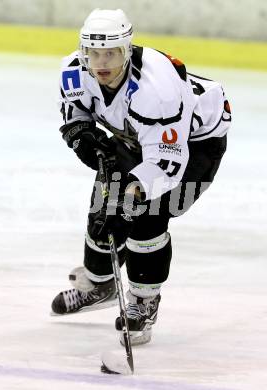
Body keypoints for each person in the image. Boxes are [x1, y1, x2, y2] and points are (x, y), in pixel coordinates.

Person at [51, 8, 231, 346]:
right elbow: (75, 114)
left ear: (127, 50)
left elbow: (165, 165)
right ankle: (100, 282)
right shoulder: (74, 71)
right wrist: (84, 137)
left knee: (148, 212)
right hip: (136, 136)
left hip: (193, 143)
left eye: (111, 53)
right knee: (103, 205)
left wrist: (129, 196)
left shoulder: (157, 90)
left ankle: (144, 301)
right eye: (93, 53)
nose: (101, 62)